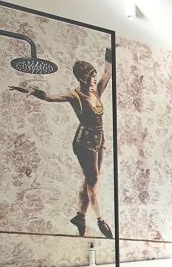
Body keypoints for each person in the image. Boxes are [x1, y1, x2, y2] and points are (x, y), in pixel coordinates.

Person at [10, 48, 114, 238]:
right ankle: (100, 220)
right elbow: (51, 98)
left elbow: (108, 74)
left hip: (100, 140)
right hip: (84, 142)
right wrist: (33, 92)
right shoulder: (75, 96)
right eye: (91, 77)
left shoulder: (96, 92)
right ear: (83, 78)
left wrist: (109, 52)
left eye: (94, 76)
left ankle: (80, 216)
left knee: (91, 180)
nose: (94, 80)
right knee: (93, 182)